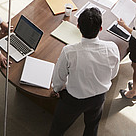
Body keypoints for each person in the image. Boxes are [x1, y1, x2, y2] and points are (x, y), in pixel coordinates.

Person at [49, 8, 120, 136]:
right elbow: (113, 74)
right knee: (92, 126)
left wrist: (56, 89)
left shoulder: (69, 51)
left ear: (78, 27)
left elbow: (59, 77)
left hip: (73, 99)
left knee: (58, 127)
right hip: (99, 97)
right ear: (100, 28)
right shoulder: (112, 48)